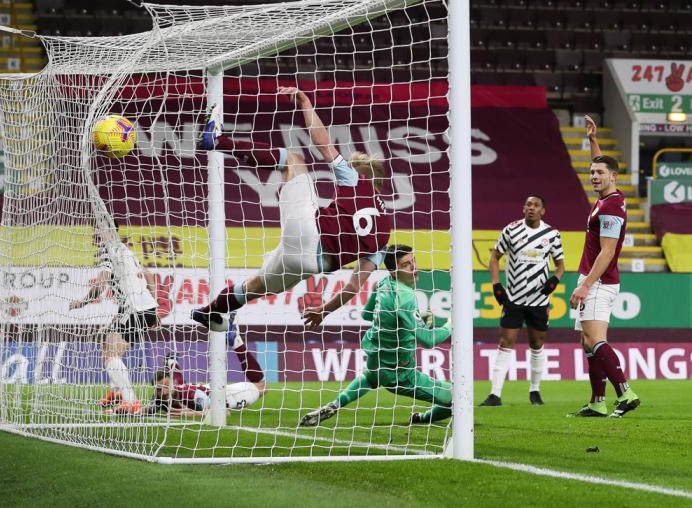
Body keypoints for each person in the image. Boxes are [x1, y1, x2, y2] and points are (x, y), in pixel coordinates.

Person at [191, 87, 390, 331]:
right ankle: (209, 313)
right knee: (254, 287)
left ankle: (218, 140)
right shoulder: (384, 238)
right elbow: (353, 286)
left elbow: (323, 144)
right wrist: (324, 310)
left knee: (293, 160)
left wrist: (305, 102)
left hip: (309, 233)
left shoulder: (356, 179)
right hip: (309, 265)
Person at [299, 245, 453, 427]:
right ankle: (421, 418)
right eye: (406, 265)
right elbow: (428, 340)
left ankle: (335, 404)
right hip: (400, 373)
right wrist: (451, 324)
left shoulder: (383, 283)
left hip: (376, 362)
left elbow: (367, 314)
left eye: (414, 261)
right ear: (393, 271)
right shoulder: (406, 297)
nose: (414, 267)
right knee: (457, 395)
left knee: (369, 378)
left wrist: (410, 320)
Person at [568, 115, 640, 418]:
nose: (594, 176)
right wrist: (592, 139)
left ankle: (626, 393)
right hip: (595, 279)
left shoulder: (611, 208)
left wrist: (586, 285)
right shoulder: (607, 198)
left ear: (614, 176)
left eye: (599, 173)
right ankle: (597, 401)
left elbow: (608, 251)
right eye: (591, 172)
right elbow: (600, 162)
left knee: (596, 340)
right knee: (587, 341)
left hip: (598, 280)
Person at [479, 195, 565, 407]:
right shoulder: (511, 230)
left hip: (539, 300)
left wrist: (555, 280)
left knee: (537, 344)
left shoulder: (552, 234)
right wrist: (496, 284)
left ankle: (535, 391)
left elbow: (560, 265)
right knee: (505, 343)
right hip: (514, 298)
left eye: (536, 205)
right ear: (523, 208)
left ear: (543, 211)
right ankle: (495, 394)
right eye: (528, 204)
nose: (531, 208)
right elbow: (494, 258)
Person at [70, 221, 158, 415]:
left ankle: (130, 402)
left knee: (111, 354)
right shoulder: (125, 250)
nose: (94, 234)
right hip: (144, 309)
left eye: (97, 229)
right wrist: (155, 306)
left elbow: (100, 285)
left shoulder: (108, 251)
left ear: (108, 230)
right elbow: (149, 275)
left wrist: (82, 302)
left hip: (133, 310)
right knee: (106, 338)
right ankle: (117, 392)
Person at [131, 315, 266, 417]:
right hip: (205, 388)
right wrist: (128, 410)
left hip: (228, 396)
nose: (164, 392)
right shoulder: (160, 397)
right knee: (180, 385)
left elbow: (224, 412)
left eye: (166, 387)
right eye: (159, 389)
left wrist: (189, 413)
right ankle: (172, 363)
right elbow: (148, 409)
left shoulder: (191, 396)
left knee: (262, 387)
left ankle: (236, 341)